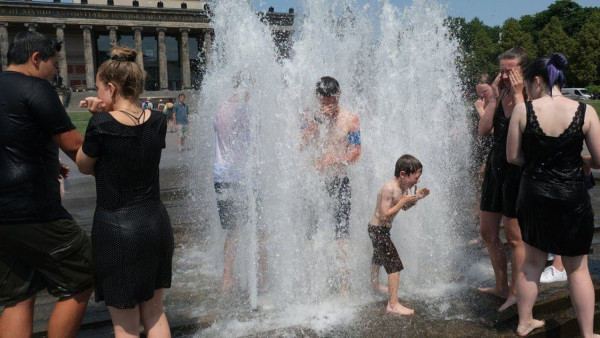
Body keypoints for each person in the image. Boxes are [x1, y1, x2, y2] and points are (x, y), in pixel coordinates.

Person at [0, 31, 94, 337]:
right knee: (84, 271)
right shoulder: (37, 88)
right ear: (35, 59)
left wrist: (47, 164)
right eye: (54, 63)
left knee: (18, 293)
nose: (57, 71)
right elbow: (76, 146)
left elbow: (13, 138)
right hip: (34, 209)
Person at [76, 46, 173, 338]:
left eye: (98, 88)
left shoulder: (101, 124)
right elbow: (134, 149)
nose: (97, 94)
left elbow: (83, 164)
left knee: (126, 326)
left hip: (117, 229)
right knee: (155, 314)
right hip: (155, 224)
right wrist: (106, 112)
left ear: (110, 87)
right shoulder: (157, 121)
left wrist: (99, 116)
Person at [507, 52, 600, 337]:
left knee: (532, 262)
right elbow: (598, 160)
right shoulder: (586, 112)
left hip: (534, 193)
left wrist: (538, 163)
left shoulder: (524, 110)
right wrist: (578, 162)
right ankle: (587, 333)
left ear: (537, 80)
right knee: (578, 268)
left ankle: (524, 322)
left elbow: (513, 156)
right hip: (572, 194)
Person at [477, 47, 527, 312]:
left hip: (517, 171)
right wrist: (495, 99)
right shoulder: (501, 94)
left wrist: (518, 96)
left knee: (514, 237)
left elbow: (530, 130)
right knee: (487, 231)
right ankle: (501, 286)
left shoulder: (529, 96)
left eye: (511, 70)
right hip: (495, 168)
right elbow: (483, 130)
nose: (505, 76)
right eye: (503, 70)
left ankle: (518, 294)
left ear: (523, 71)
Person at [300, 76, 361, 293]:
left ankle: (343, 284)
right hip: (314, 183)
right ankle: (311, 283)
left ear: (339, 96)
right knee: (311, 231)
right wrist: (317, 122)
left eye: (332, 101)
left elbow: (356, 152)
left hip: (339, 181)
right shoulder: (309, 117)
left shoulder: (351, 119)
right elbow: (300, 145)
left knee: (341, 234)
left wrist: (334, 160)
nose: (329, 106)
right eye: (324, 102)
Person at [213, 77, 267, 291]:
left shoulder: (219, 110)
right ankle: (263, 277)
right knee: (259, 227)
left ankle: (227, 277)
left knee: (234, 228)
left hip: (223, 175)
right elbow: (256, 139)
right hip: (248, 177)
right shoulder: (252, 110)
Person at [368, 155, 430, 315]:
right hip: (377, 229)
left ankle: (374, 286)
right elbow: (384, 215)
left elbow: (404, 208)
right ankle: (393, 304)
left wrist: (417, 198)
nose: (417, 181)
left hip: (381, 230)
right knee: (394, 265)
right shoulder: (389, 188)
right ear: (403, 174)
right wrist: (403, 201)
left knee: (378, 256)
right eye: (415, 177)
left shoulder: (403, 188)